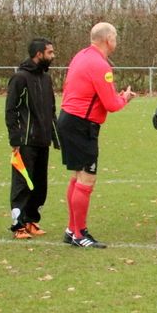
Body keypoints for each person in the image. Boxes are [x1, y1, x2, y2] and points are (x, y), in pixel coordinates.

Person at [57, 23, 136, 248]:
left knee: (77, 175)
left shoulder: (81, 56)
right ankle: (80, 234)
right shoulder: (101, 65)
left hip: (69, 119)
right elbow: (111, 104)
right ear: (108, 39)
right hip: (82, 124)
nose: (117, 41)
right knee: (86, 178)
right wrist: (125, 98)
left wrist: (116, 97)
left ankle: (71, 230)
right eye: (116, 36)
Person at [5, 38, 58, 239]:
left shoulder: (46, 78)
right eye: (50, 53)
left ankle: (30, 221)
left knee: (39, 184)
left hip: (42, 140)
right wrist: (15, 139)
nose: (53, 56)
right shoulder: (20, 78)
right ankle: (17, 224)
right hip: (25, 141)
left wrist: (54, 135)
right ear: (38, 54)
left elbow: (51, 109)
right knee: (22, 184)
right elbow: (11, 110)